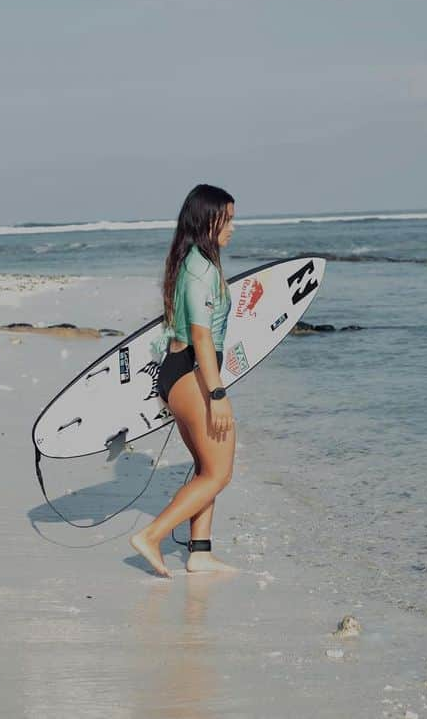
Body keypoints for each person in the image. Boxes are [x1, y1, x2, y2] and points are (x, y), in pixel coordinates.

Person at [130, 184, 238, 577]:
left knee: (205, 467)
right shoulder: (200, 270)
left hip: (181, 373)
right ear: (208, 219)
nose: (232, 228)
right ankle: (152, 535)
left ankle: (201, 552)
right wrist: (218, 394)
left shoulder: (190, 262)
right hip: (194, 373)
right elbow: (202, 336)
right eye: (227, 219)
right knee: (220, 472)